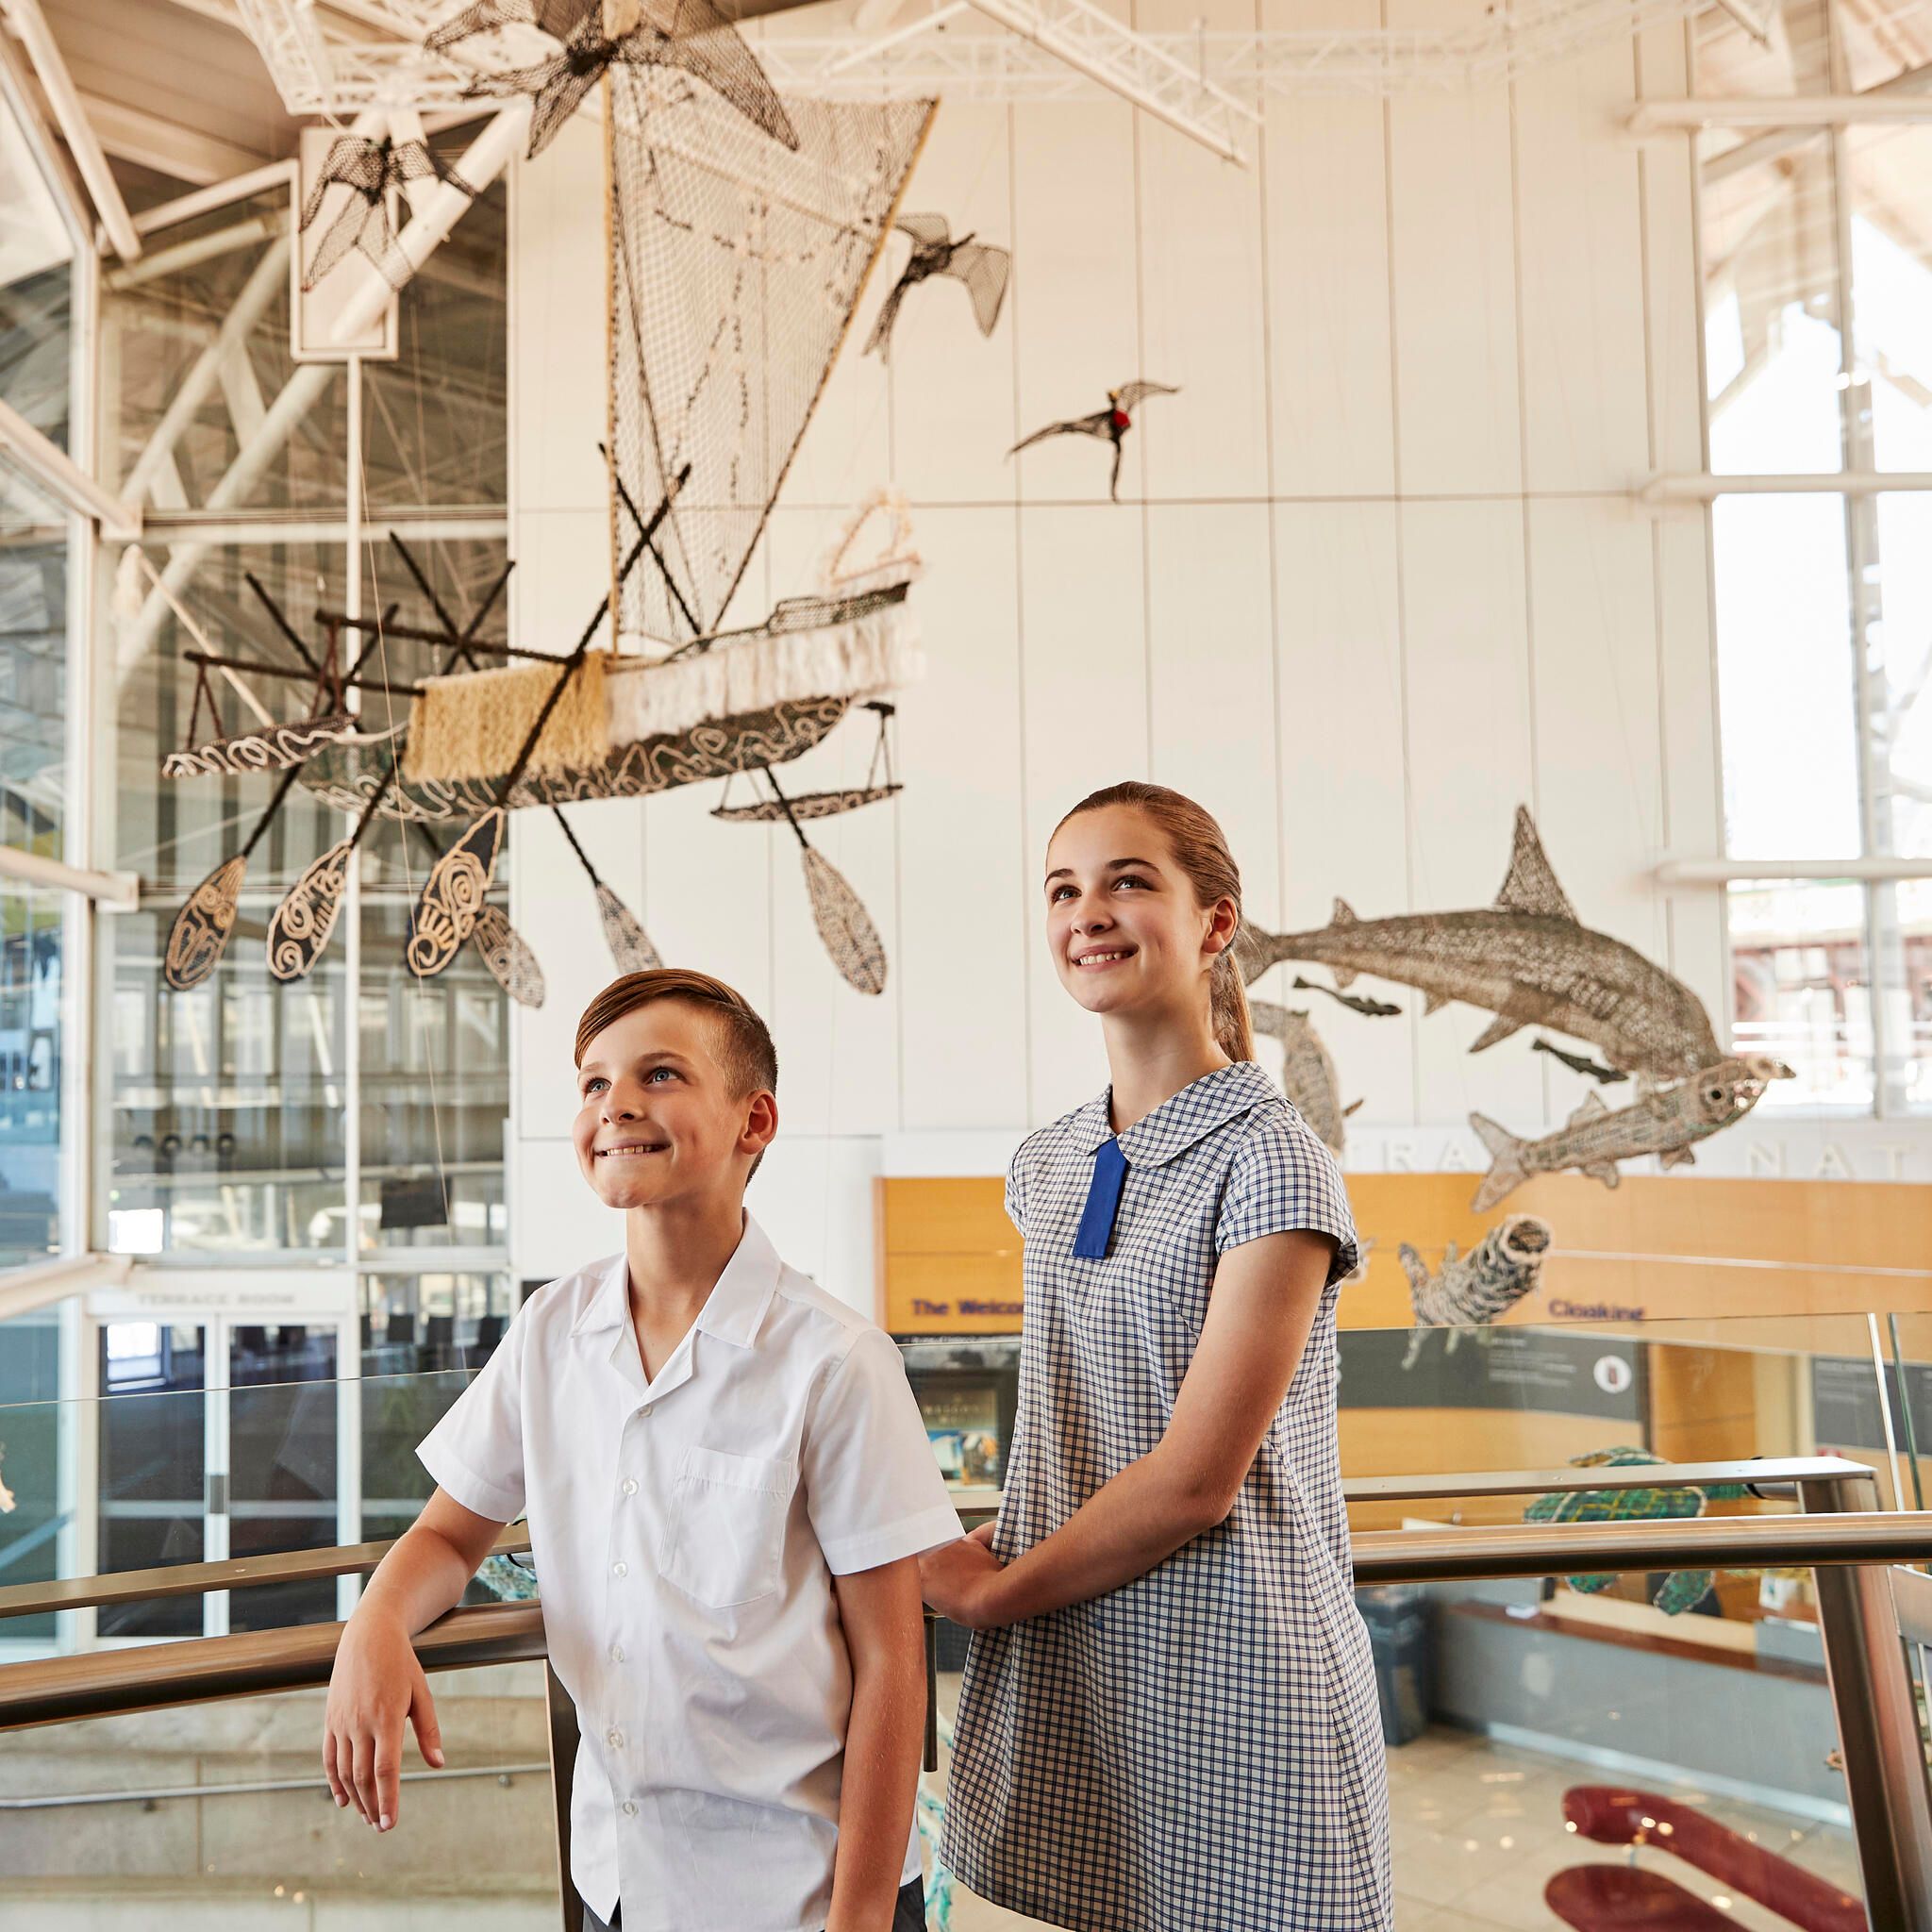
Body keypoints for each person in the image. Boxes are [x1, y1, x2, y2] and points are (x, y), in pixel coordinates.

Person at [324, 968, 961, 1932]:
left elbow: (891, 1662)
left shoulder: (835, 1360)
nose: (614, 1102)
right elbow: (450, 1537)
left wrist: (861, 1917)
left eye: (659, 1075)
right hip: (615, 1879)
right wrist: (372, 1622)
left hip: (797, 1893)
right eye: (591, 1082)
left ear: (754, 1122)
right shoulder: (549, 1329)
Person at [921, 781, 1393, 1932]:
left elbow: (1196, 1476)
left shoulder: (1271, 1163)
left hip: (1239, 1674)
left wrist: (987, 1594)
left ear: (1214, 923)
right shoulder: (1047, 1161)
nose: (1089, 910)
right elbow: (1080, 1411)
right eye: (1063, 888)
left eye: (1129, 880)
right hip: (1091, 1668)